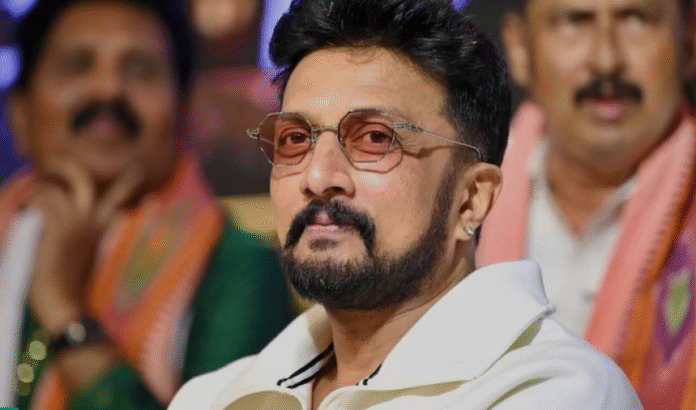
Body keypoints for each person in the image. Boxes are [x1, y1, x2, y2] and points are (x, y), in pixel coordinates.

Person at [169, 0, 642, 409]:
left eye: (375, 138)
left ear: (472, 198)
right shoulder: (212, 398)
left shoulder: (556, 390)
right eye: (295, 139)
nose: (318, 178)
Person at [0, 0, 293, 409]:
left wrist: (62, 307)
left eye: (140, 70)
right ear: (20, 113)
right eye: (77, 65)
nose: (108, 89)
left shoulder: (237, 267)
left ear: (185, 112)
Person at [476, 0, 696, 408]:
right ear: (520, 48)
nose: (606, 60)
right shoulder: (453, 201)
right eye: (574, 21)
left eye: (637, 19)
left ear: (690, 41)